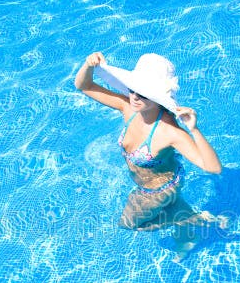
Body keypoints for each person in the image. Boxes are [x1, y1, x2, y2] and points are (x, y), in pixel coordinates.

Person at [74, 51, 226, 252]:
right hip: (157, 182)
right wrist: (88, 64)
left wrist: (193, 129)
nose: (135, 97)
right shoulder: (128, 107)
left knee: (129, 224)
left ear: (158, 98)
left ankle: (193, 218)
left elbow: (213, 168)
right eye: (133, 90)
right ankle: (186, 240)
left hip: (158, 190)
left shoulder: (169, 132)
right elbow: (83, 86)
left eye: (143, 94)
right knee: (175, 211)